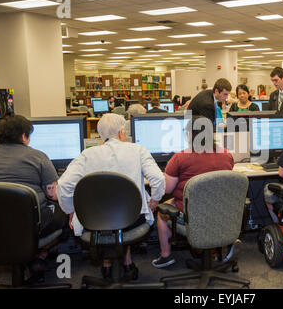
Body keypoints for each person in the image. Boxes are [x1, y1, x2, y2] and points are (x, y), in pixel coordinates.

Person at [57, 113, 165, 281]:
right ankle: (127, 264)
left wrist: (71, 210)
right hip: (131, 221)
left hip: (93, 222)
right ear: (122, 132)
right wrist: (155, 200)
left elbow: (63, 185)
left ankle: (107, 267)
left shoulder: (87, 155)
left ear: (100, 136)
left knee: (108, 215)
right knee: (125, 213)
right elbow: (158, 179)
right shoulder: (137, 150)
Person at [0, 115, 67, 282]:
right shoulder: (37, 156)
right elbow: (52, 194)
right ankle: (40, 255)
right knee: (64, 209)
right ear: (24, 136)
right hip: (29, 223)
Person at [152, 116, 234, 268]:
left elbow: (168, 189)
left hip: (191, 214)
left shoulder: (180, 158)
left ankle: (166, 256)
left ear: (189, 135)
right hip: (221, 212)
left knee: (162, 210)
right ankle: (219, 248)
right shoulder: (227, 155)